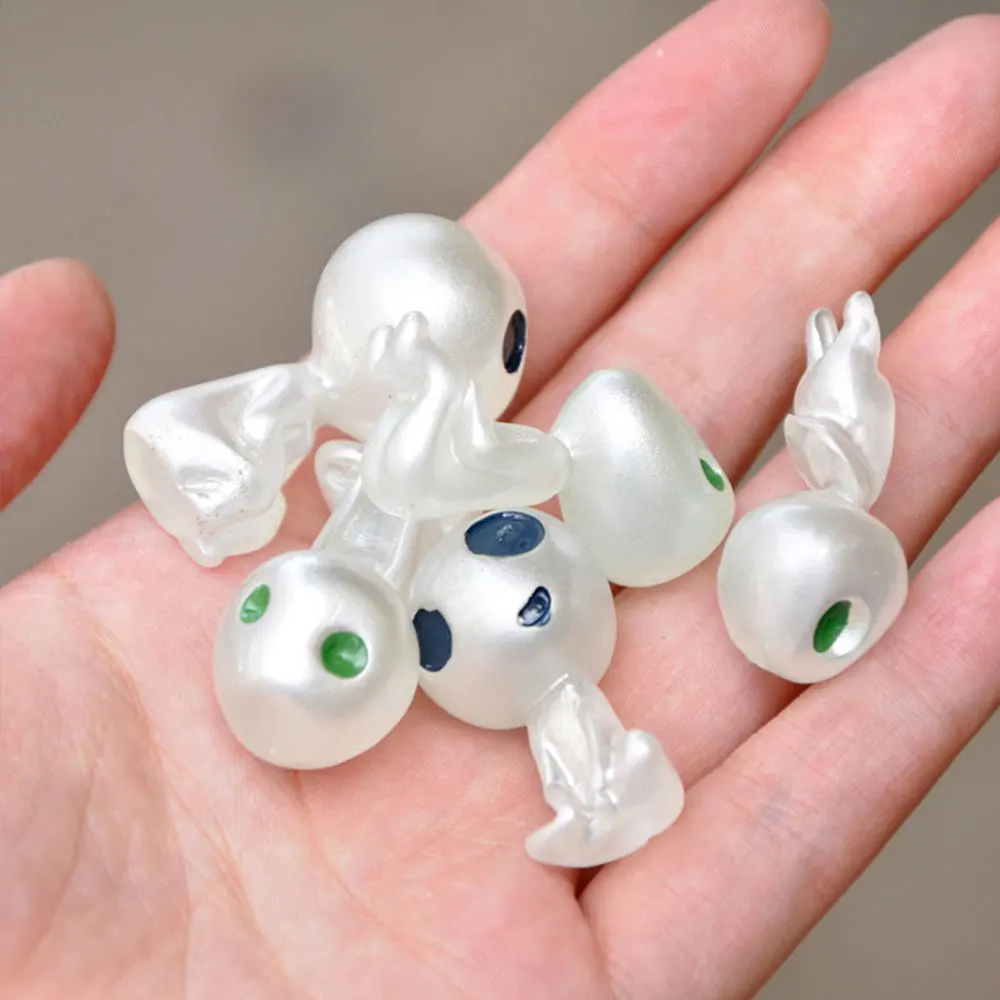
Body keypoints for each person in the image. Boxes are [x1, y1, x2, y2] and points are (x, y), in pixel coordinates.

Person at [2, 0, 999, 995]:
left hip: (507, 599)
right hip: (442, 596)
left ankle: (597, 780)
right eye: (501, 341)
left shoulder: (483, 462)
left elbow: (477, 473)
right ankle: (592, 777)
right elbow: (418, 478)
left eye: (500, 339)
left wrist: (438, 414)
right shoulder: (395, 467)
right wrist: (430, 408)